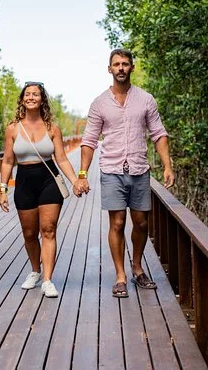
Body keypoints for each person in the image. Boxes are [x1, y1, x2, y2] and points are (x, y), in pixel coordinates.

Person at [73, 49, 174, 298]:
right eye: (116, 64)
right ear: (109, 69)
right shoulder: (99, 103)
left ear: (132, 68)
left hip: (139, 169)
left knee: (141, 222)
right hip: (111, 170)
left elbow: (158, 133)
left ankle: (137, 267)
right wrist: (82, 173)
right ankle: (120, 276)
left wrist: (168, 166)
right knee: (117, 222)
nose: (121, 68)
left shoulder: (146, 99)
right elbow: (89, 140)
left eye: (125, 64)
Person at [0, 81, 79, 298]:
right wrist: (3, 190)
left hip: (48, 180)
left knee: (48, 230)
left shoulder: (52, 128)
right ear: (22, 99)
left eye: (35, 94)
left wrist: (75, 181)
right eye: (28, 94)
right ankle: (35, 271)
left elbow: (62, 159)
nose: (31, 97)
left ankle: (47, 280)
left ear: (42, 99)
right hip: (24, 182)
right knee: (29, 233)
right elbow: (8, 161)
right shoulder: (13, 128)